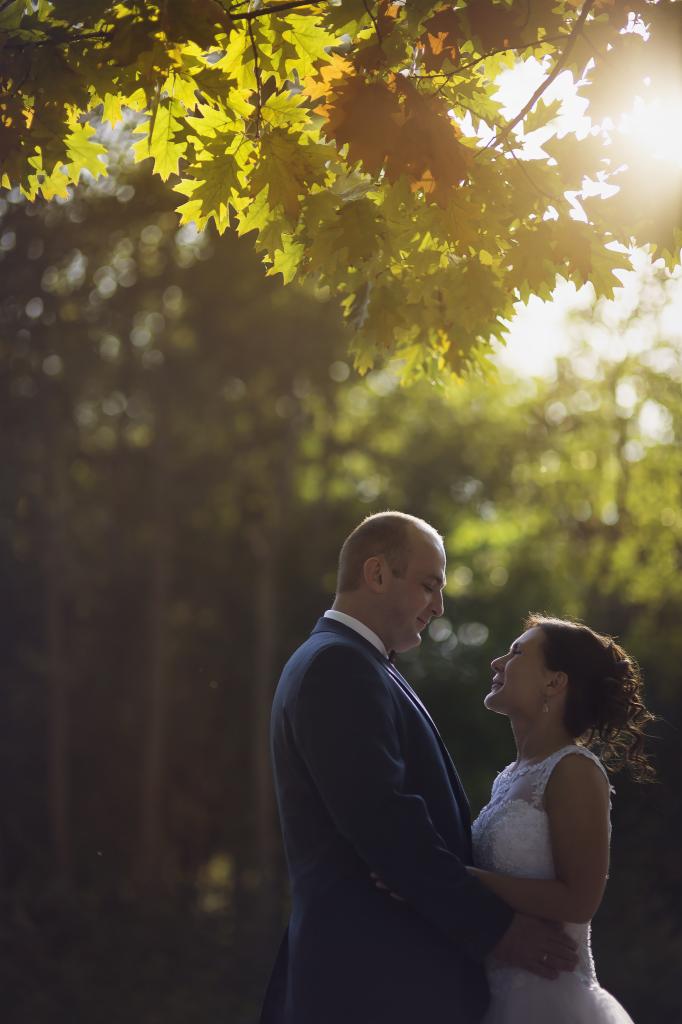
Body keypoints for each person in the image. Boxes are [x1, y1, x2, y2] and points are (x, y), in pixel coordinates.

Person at [259, 513, 578, 1024]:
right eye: (429, 586)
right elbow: (386, 824)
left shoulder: (359, 662)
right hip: (372, 983)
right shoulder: (338, 667)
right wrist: (498, 930)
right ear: (377, 574)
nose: (439, 606)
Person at [468, 614, 655, 1024]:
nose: (497, 663)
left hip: (549, 998)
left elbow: (579, 900)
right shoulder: (509, 777)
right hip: (493, 991)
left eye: (516, 653)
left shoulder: (573, 770)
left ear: (554, 682)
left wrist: (462, 879)